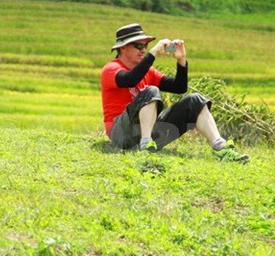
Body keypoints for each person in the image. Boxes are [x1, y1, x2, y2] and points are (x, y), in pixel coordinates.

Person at [100, 23, 249, 162]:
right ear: (122, 48)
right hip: (121, 135)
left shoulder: (148, 72)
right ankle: (145, 147)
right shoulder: (111, 69)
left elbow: (179, 87)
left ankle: (220, 148)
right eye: (138, 45)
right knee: (151, 91)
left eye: (146, 45)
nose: (143, 50)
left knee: (195, 100)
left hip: (147, 132)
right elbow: (131, 79)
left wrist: (181, 61)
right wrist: (153, 53)